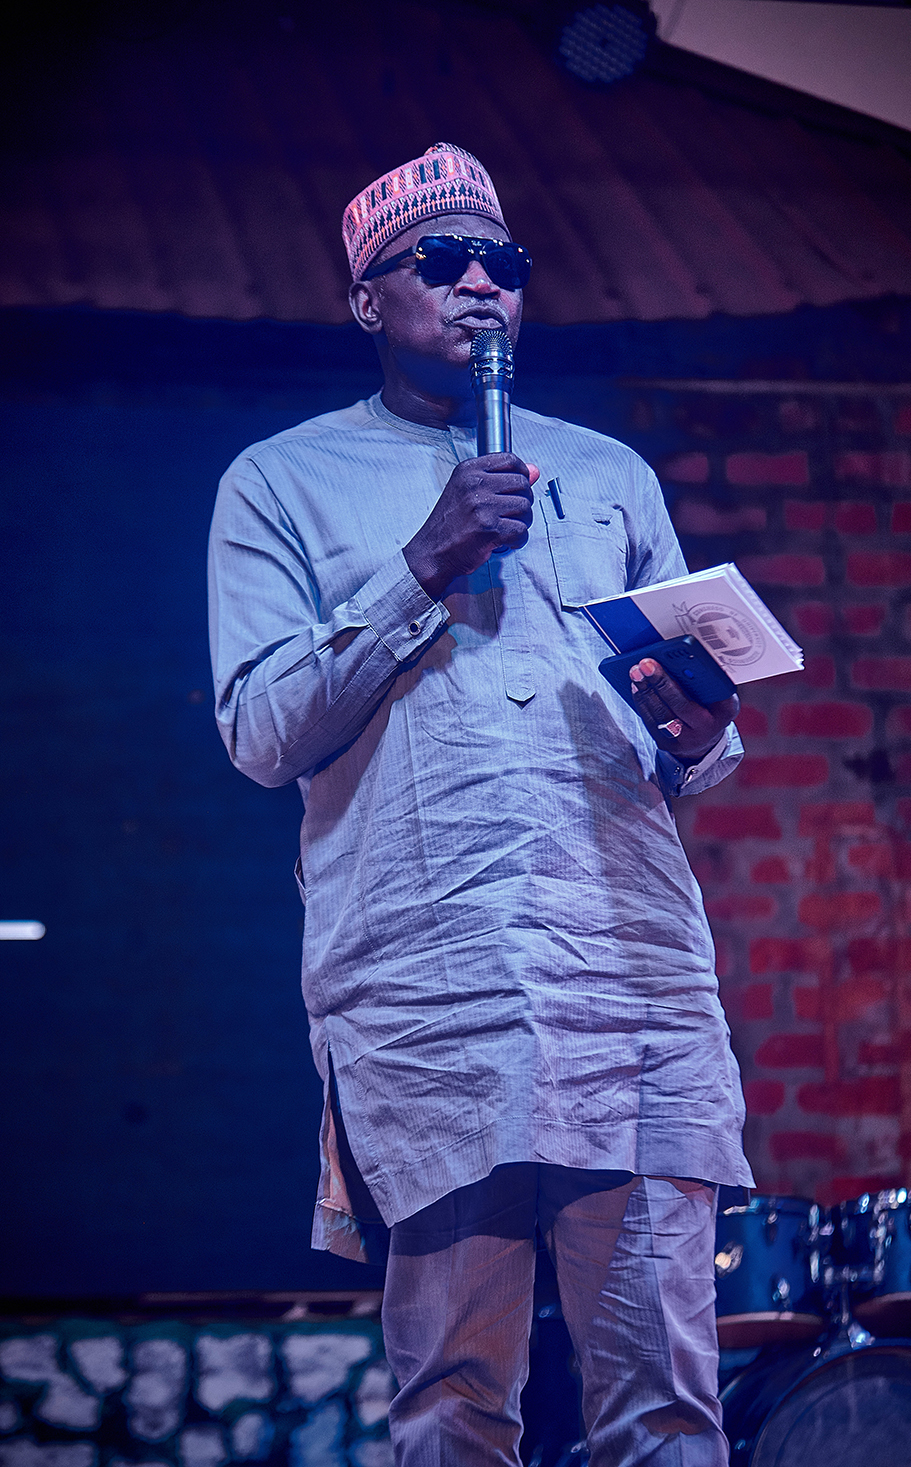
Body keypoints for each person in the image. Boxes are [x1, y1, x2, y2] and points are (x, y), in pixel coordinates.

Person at [208, 142, 752, 1466]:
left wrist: (701, 728)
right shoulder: (280, 482)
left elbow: (688, 734)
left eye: (500, 262)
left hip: (628, 982)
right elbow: (262, 733)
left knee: (668, 1408)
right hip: (431, 998)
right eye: (439, 261)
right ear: (366, 300)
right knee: (456, 1408)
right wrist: (426, 560)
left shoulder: (610, 476)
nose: (477, 284)